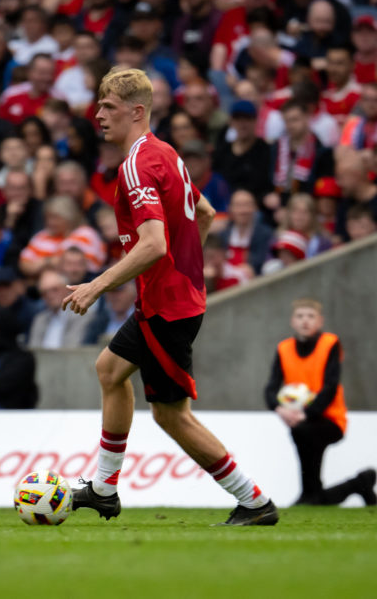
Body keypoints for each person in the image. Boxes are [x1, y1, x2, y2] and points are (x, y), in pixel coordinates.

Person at [61, 68, 277, 526]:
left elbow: (154, 243)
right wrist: (187, 270)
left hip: (168, 306)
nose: (98, 115)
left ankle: (255, 501)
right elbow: (204, 211)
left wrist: (96, 285)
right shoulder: (165, 153)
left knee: (171, 416)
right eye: (98, 105)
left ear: (137, 111)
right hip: (170, 297)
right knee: (110, 370)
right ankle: (103, 488)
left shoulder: (136, 165)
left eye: (109, 108)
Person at [263, 299, 377, 506]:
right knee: (302, 433)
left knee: (303, 432)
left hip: (331, 419)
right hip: (301, 420)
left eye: (310, 316)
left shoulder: (330, 343)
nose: (305, 321)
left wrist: (305, 413)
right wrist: (280, 409)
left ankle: (312, 493)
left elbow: (331, 386)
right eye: (300, 316)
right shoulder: (284, 348)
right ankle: (358, 483)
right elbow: (271, 387)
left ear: (320, 321)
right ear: (292, 321)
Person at [28, 269, 89, 349]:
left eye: (55, 289)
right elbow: (33, 350)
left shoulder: (81, 314)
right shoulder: (40, 319)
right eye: (44, 292)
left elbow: (73, 349)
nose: (49, 295)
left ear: (67, 289)